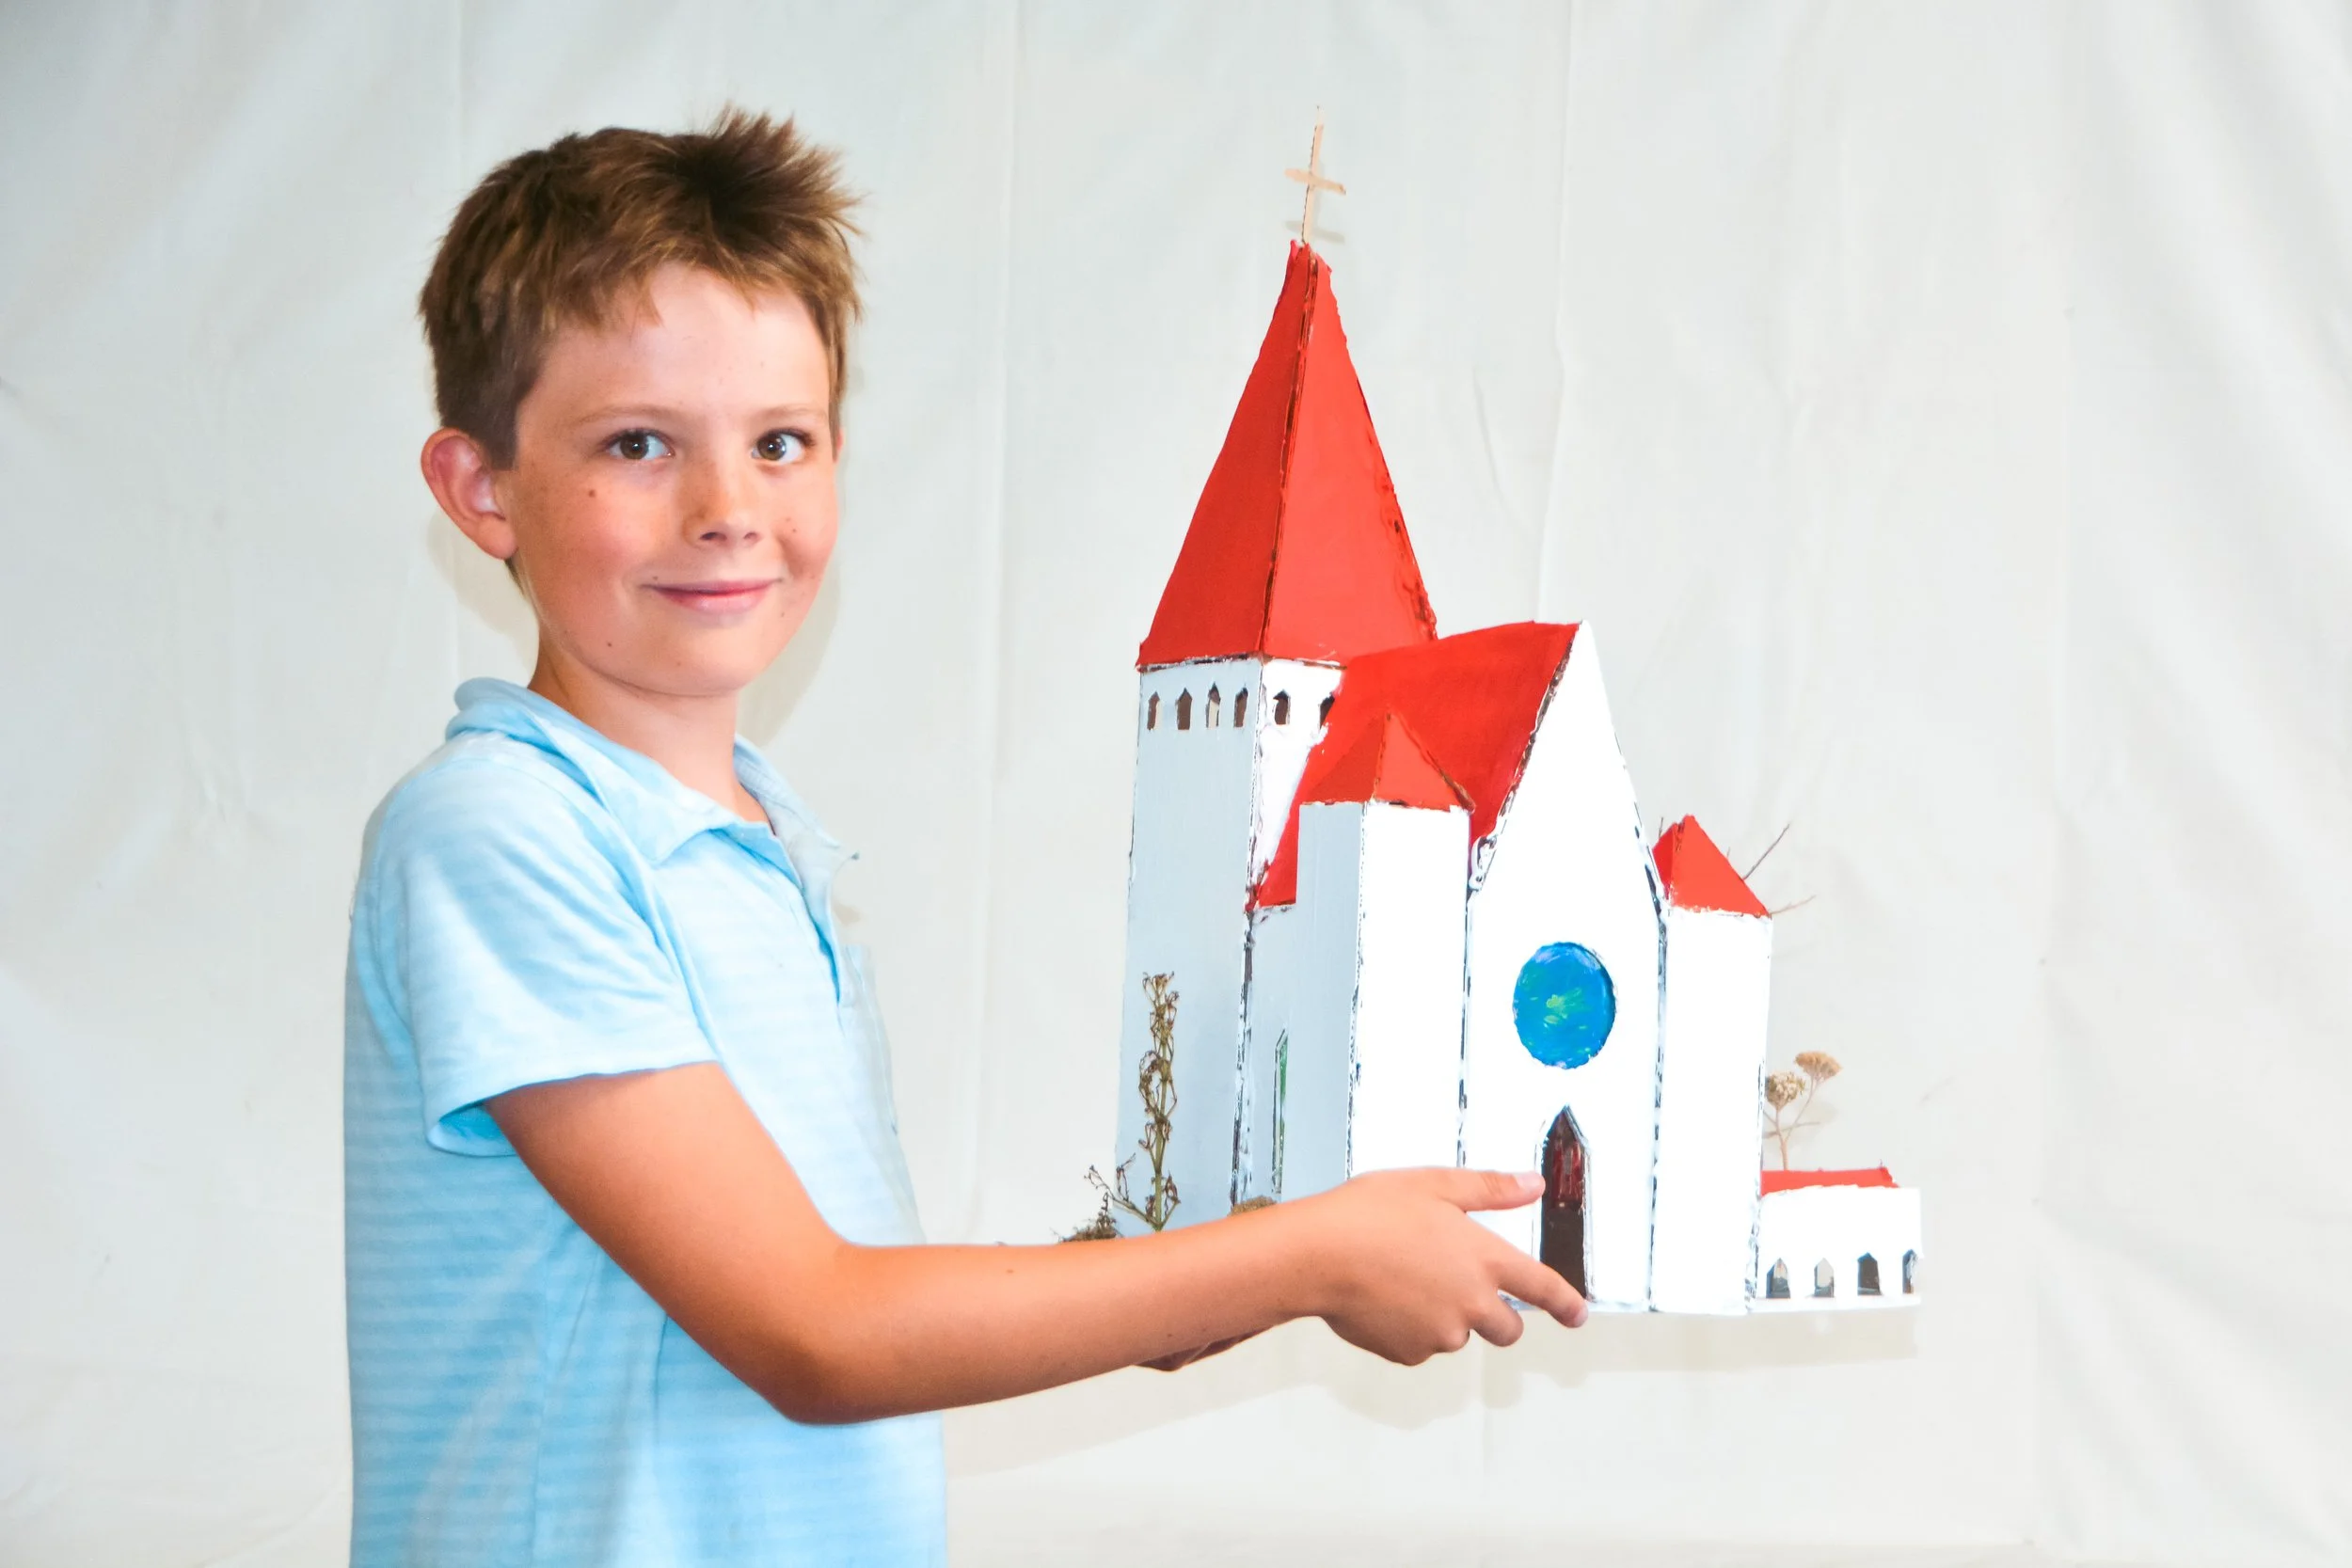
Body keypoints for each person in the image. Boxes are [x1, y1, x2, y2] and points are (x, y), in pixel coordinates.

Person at [344, 107, 1587, 1568]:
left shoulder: (761, 844)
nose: (729, 508)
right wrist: (1307, 1252)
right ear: (480, 488)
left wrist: (1222, 1263)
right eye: (637, 443)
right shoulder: (498, 830)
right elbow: (812, 1329)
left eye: (780, 441)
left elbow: (856, 1303)